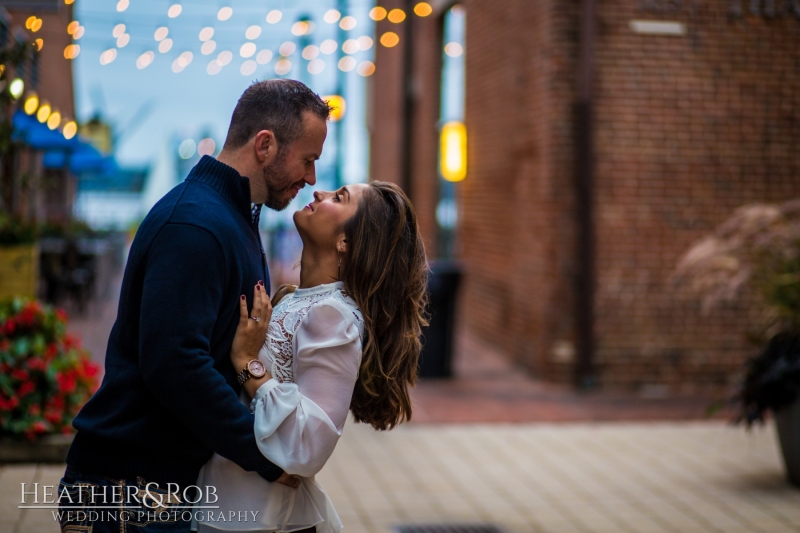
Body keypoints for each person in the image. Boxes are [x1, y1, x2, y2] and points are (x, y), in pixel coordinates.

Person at [57, 79, 331, 533]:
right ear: (265, 145)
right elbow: (174, 363)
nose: (311, 178)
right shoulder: (196, 225)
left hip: (157, 488)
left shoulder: (230, 216)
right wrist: (264, 455)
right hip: (128, 491)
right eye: (307, 160)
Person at [194, 181, 428, 533]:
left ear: (346, 242)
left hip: (260, 518)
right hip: (232, 503)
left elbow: (309, 446)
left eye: (340, 198)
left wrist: (247, 363)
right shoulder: (295, 298)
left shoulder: (332, 314)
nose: (320, 193)